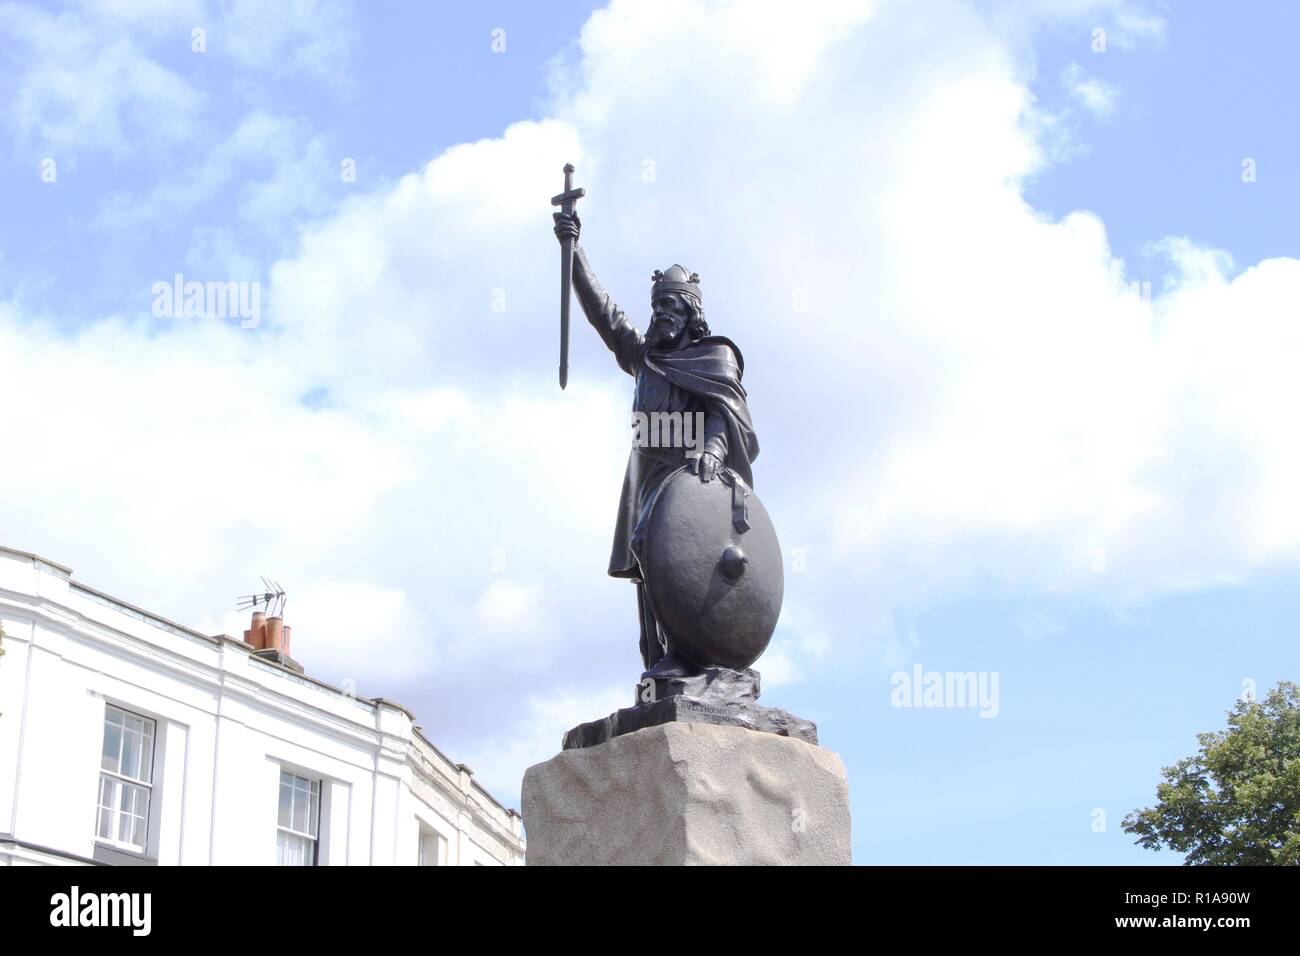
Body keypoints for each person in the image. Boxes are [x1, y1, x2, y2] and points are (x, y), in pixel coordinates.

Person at [552, 210, 760, 677]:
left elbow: (724, 416)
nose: (660, 314)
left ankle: (690, 657)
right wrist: (574, 252)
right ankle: (661, 663)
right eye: (657, 307)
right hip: (647, 479)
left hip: (692, 480)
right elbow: (603, 313)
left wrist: (711, 451)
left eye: (670, 307)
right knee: (650, 578)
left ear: (691, 314)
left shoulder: (714, 356)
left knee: (686, 567)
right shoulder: (644, 357)